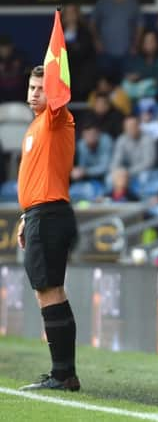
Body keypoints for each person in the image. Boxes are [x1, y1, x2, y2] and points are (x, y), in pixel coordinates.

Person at [17, 66, 80, 391]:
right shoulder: (37, 126)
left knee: (49, 292)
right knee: (51, 290)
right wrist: (27, 215)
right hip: (41, 213)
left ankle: (62, 373)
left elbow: (57, 96)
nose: (34, 93)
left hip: (50, 215)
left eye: (41, 88)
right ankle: (64, 372)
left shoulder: (56, 117)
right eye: (31, 87)